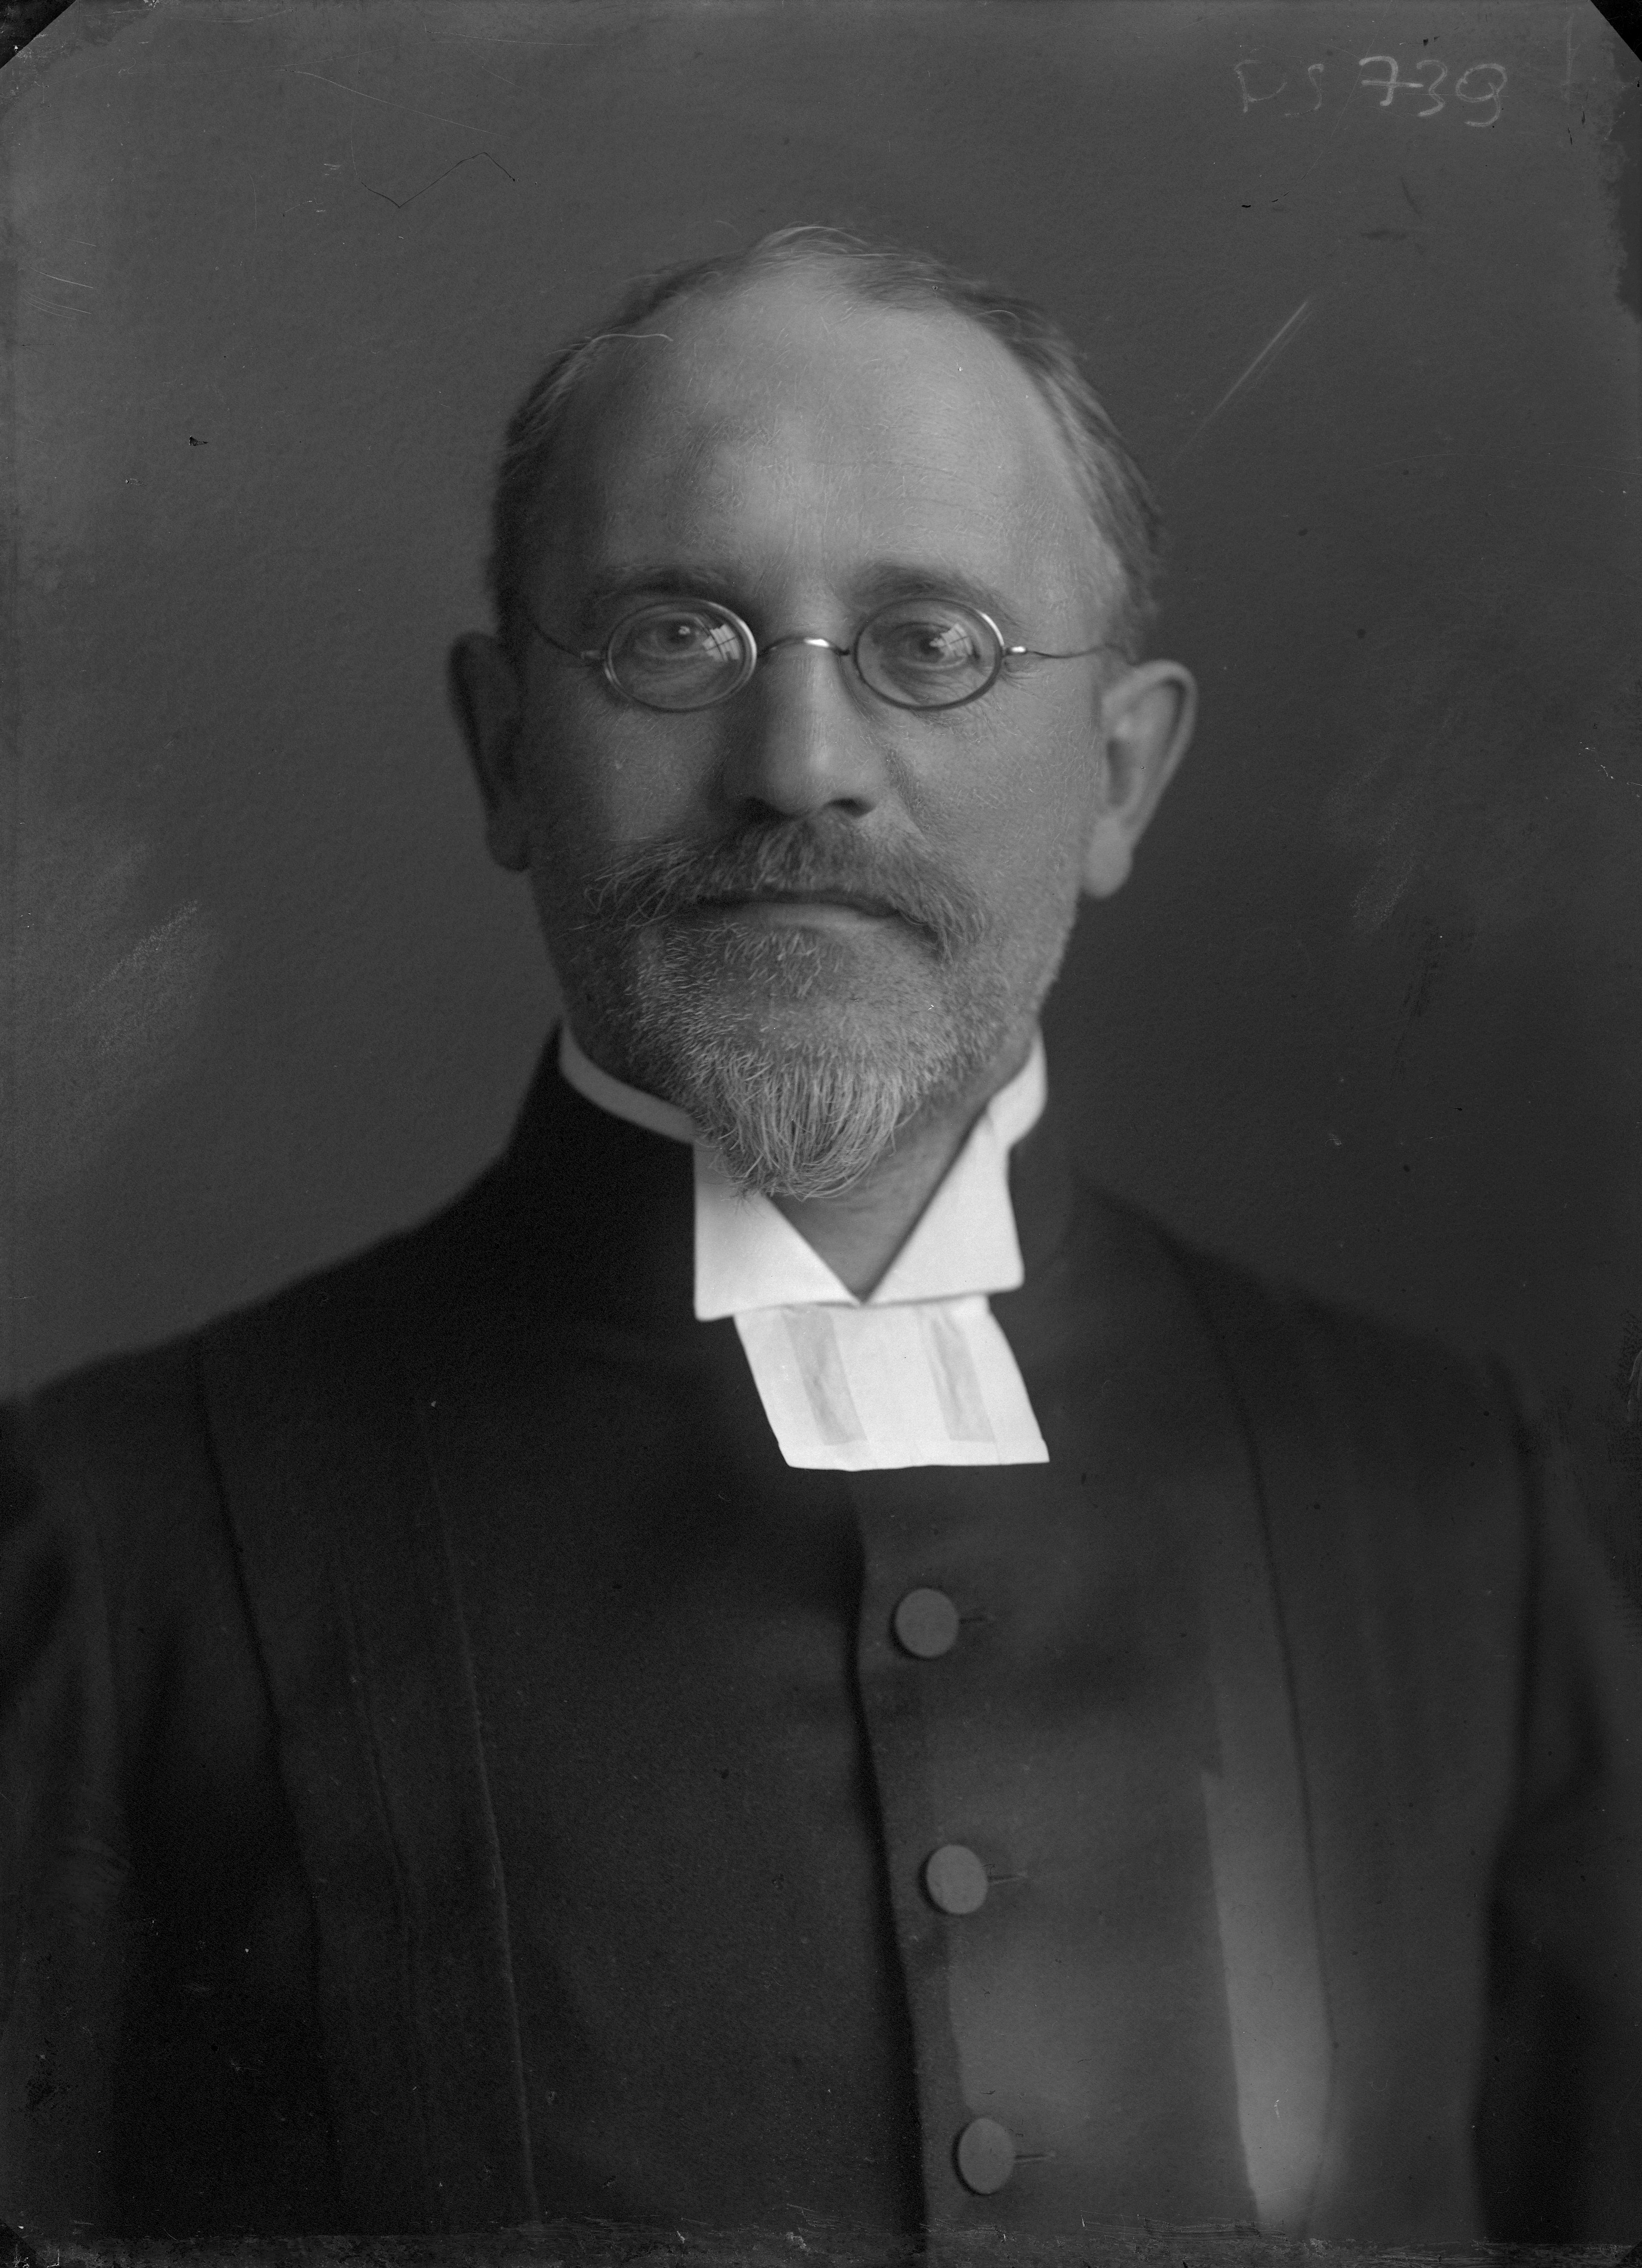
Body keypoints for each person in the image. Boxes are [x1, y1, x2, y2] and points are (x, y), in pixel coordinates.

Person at [2, 226, 1638, 2246]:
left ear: (1120, 774)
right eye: (674, 636)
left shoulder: (1462, 1502)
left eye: (932, 643)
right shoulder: (102, 1543)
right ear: (506, 751)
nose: (798, 767)